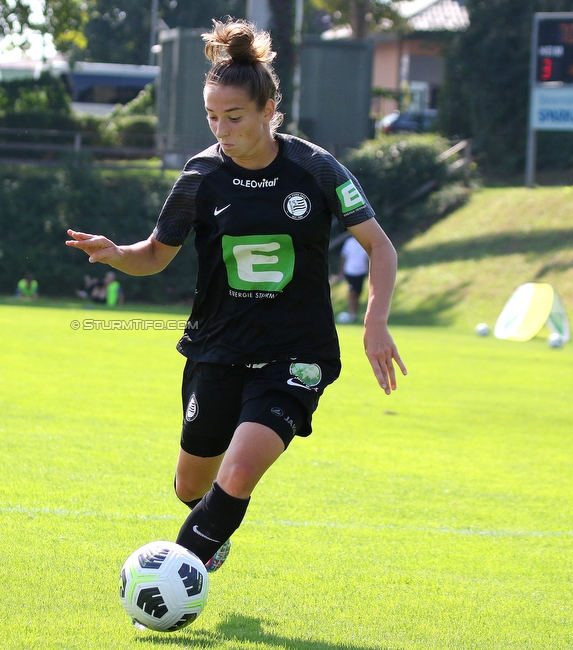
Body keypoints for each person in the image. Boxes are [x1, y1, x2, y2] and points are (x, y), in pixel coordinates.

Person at [66, 19, 406, 577]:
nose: (221, 129)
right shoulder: (201, 176)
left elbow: (380, 247)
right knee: (191, 485)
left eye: (235, 116)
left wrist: (375, 320)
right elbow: (155, 254)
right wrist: (115, 252)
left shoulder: (316, 168)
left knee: (240, 472)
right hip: (218, 347)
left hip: (296, 353)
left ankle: (170, 582)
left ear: (269, 107)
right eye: (211, 117)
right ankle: (210, 530)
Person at [338, 235, 370, 322]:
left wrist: (369, 271)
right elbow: (344, 256)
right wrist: (341, 271)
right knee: (352, 293)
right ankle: (351, 313)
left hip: (361, 272)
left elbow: (367, 258)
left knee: (358, 293)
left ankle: (355, 314)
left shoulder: (364, 242)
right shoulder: (349, 242)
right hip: (350, 271)